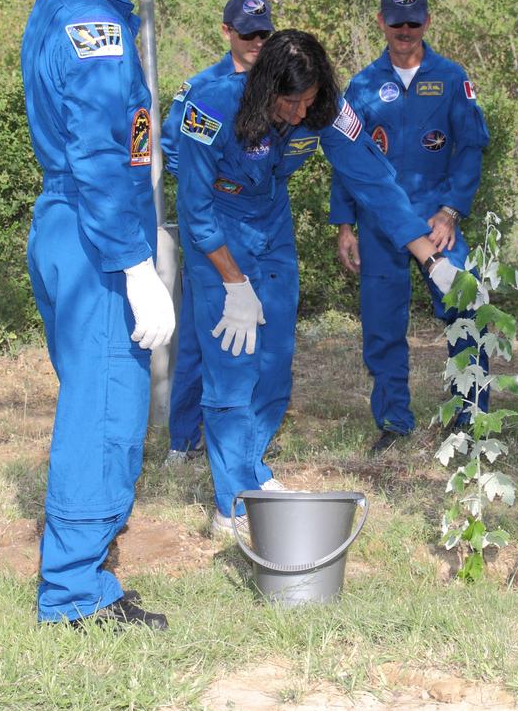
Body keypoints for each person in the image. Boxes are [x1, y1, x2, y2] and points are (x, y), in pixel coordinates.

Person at [175, 29, 468, 534]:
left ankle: (252, 470)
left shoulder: (328, 111)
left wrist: (431, 259)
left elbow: (375, 182)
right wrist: (233, 282)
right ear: (264, 87)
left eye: (307, 103)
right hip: (219, 236)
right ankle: (233, 504)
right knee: (231, 368)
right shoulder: (211, 105)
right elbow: (194, 205)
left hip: (271, 226)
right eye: (288, 103)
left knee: (273, 364)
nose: (296, 115)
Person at [21, 0, 186, 629]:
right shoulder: (97, 23)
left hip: (72, 227)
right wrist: (135, 265)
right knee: (106, 409)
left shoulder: (64, 1)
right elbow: (97, 156)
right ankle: (76, 593)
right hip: (96, 239)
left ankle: (89, 571)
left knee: (97, 399)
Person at [329, 0, 491, 456]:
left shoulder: (453, 79)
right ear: (381, 22)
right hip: (379, 225)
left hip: (438, 221)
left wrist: (451, 210)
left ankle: (471, 417)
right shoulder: (360, 86)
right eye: (396, 22)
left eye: (413, 22)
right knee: (382, 325)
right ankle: (394, 421)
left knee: (464, 314)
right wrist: (345, 225)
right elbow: (347, 161)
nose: (405, 31)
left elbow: (471, 149)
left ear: (426, 22)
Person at [159, 0, 275, 465]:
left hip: (261, 226)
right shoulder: (200, 90)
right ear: (227, 32)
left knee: (257, 337)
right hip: (211, 221)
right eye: (247, 34)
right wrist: (214, 186)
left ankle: (246, 434)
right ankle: (183, 439)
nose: (256, 42)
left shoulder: (280, 86)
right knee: (198, 338)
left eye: (264, 34)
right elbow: (172, 149)